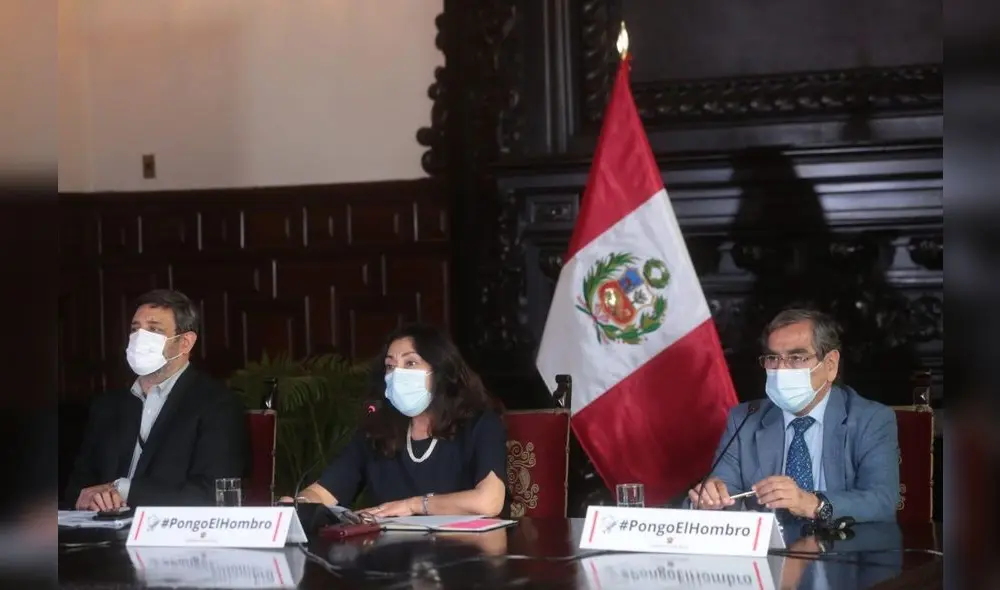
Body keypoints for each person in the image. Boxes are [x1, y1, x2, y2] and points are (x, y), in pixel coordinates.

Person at [688, 308, 900, 523]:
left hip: (840, 549)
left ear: (830, 365)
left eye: (797, 357)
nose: (781, 369)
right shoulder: (744, 418)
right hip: (767, 551)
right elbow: (723, 492)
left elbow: (882, 500)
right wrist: (711, 498)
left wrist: (812, 504)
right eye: (772, 358)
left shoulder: (871, 419)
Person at [282, 323, 508, 517]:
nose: (397, 375)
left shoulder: (480, 424)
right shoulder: (376, 430)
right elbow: (325, 492)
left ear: (440, 371)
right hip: (390, 560)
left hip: (464, 558)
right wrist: (297, 505)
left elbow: (489, 501)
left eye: (410, 363)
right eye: (390, 366)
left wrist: (414, 505)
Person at [64, 289, 249, 510]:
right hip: (97, 533)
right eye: (135, 329)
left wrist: (121, 489)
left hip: (170, 537)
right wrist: (86, 498)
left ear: (185, 343)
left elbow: (211, 493)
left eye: (154, 330)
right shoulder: (107, 406)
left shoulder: (217, 404)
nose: (140, 337)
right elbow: (76, 486)